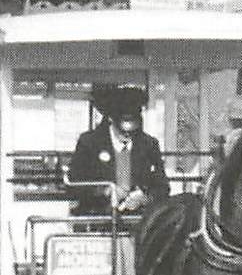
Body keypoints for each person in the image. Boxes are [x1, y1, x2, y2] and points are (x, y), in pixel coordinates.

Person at [67, 85, 170, 217]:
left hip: (139, 221)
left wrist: (144, 198)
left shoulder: (149, 145)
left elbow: (162, 187)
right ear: (111, 119)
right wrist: (106, 191)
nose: (127, 135)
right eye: (122, 130)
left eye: (132, 130)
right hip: (98, 218)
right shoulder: (89, 143)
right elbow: (74, 184)